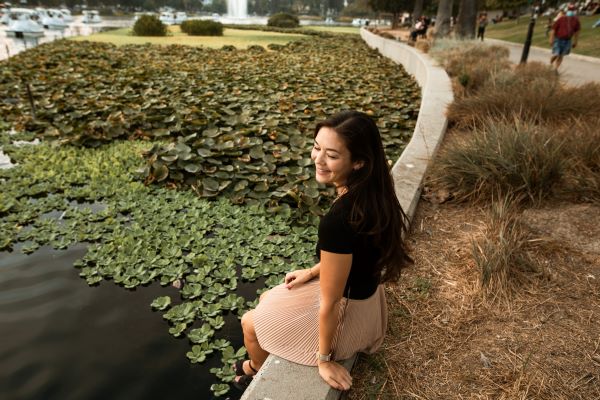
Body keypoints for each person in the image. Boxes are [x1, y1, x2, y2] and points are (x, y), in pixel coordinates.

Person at [233, 111, 413, 391]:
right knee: (269, 297)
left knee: (249, 322)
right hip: (367, 301)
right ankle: (257, 365)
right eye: (317, 147)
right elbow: (357, 254)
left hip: (349, 316)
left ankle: (254, 369)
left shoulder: (338, 221)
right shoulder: (374, 192)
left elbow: (331, 302)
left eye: (332, 155)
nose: (318, 159)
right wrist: (312, 271)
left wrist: (324, 359)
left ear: (358, 162)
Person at [549, 4, 581, 69]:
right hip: (558, 39)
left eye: (572, 10)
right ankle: (551, 63)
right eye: (570, 10)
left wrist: (575, 41)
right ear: (567, 10)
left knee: (561, 55)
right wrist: (551, 39)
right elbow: (553, 30)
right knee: (556, 54)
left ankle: (555, 69)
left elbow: (577, 32)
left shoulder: (576, 21)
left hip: (567, 40)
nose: (571, 11)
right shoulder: (561, 19)